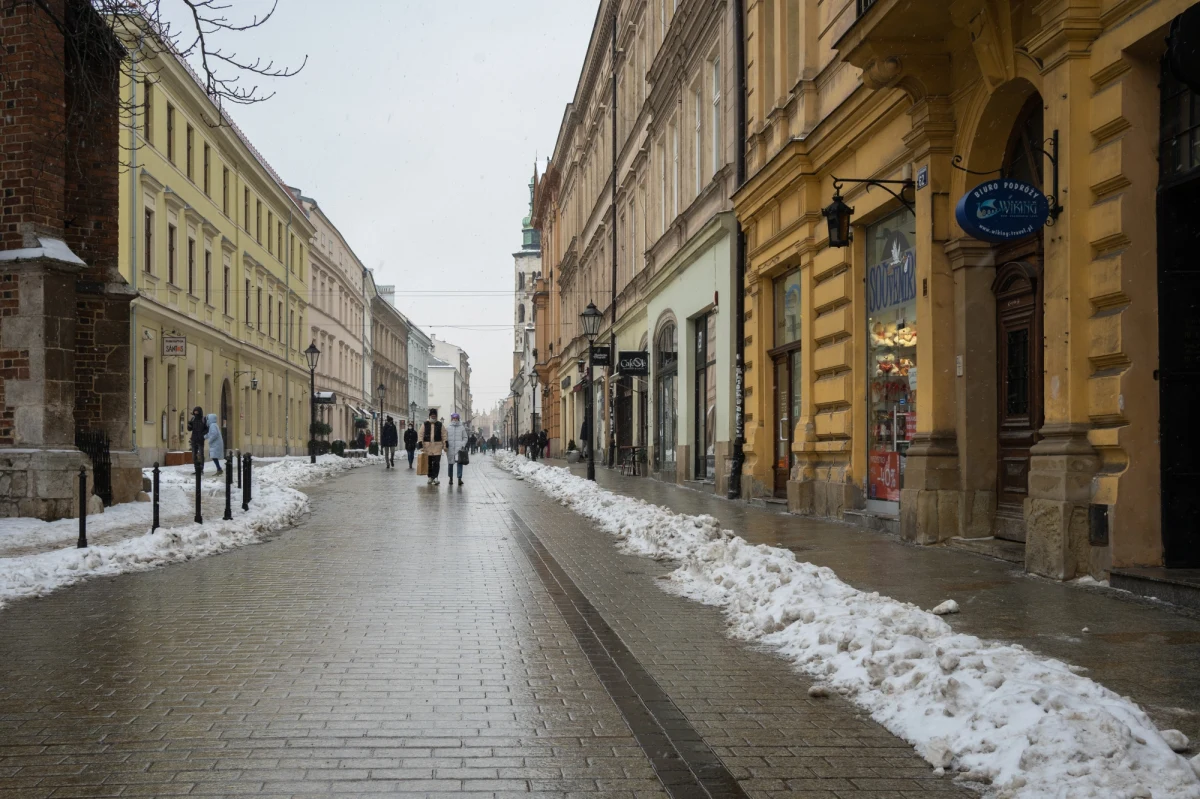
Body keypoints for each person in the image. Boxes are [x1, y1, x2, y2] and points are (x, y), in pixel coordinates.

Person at [420, 409, 444, 486]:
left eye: (434, 416)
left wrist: (445, 445)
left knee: (436, 463)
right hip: (428, 447)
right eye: (432, 416)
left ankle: (436, 477)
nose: (433, 417)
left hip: (437, 446)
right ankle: (430, 477)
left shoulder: (440, 424)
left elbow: (444, 435)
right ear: (429, 416)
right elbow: (420, 435)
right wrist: (421, 445)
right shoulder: (425, 424)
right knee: (429, 463)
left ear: (436, 416)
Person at [446, 412, 468, 486]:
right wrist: (446, 444)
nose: (455, 419)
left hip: (459, 449)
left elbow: (465, 437)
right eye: (454, 418)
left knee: (459, 463)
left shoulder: (461, 427)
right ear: (452, 419)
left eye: (456, 418)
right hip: (450, 448)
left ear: (458, 419)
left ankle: (459, 479)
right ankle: (451, 478)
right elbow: (445, 437)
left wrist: (462, 444)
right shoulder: (448, 427)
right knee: (450, 464)